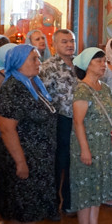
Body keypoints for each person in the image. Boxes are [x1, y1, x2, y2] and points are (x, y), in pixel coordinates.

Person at [0, 44, 58, 224]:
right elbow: (7, 129)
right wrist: (20, 161)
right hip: (20, 155)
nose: (38, 62)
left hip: (38, 156)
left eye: (39, 58)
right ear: (17, 62)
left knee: (31, 203)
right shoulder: (13, 88)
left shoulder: (33, 83)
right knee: (17, 204)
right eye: (33, 58)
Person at [69, 47, 112, 224]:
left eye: (105, 61)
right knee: (85, 187)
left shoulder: (104, 88)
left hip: (103, 145)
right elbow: (78, 122)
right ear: (87, 65)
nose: (103, 65)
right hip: (87, 144)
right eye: (99, 61)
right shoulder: (82, 89)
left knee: (98, 187)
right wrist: (84, 149)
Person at [40, 29, 78, 214]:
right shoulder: (48, 66)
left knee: (74, 161)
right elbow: (44, 97)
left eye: (72, 41)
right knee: (58, 162)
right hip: (59, 120)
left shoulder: (80, 64)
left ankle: (70, 201)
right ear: (54, 45)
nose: (70, 45)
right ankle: (52, 204)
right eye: (64, 42)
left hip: (79, 120)